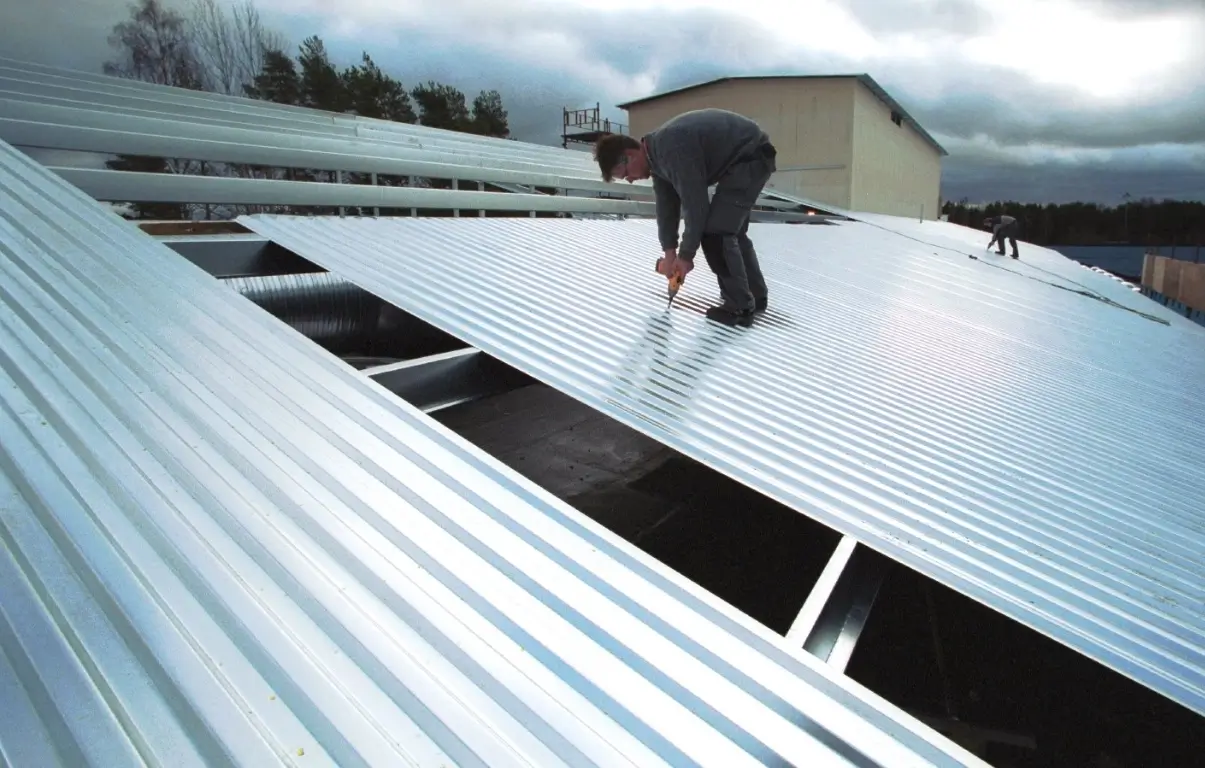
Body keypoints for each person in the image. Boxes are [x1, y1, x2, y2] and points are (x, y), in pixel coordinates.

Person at [593, 108, 778, 327]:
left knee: (716, 234)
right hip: (747, 159)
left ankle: (739, 307)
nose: (630, 180)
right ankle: (754, 296)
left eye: (626, 174)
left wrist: (686, 256)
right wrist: (669, 253)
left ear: (630, 155)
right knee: (732, 232)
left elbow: (696, 207)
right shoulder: (657, 159)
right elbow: (666, 209)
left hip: (751, 158)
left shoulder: (672, 149)